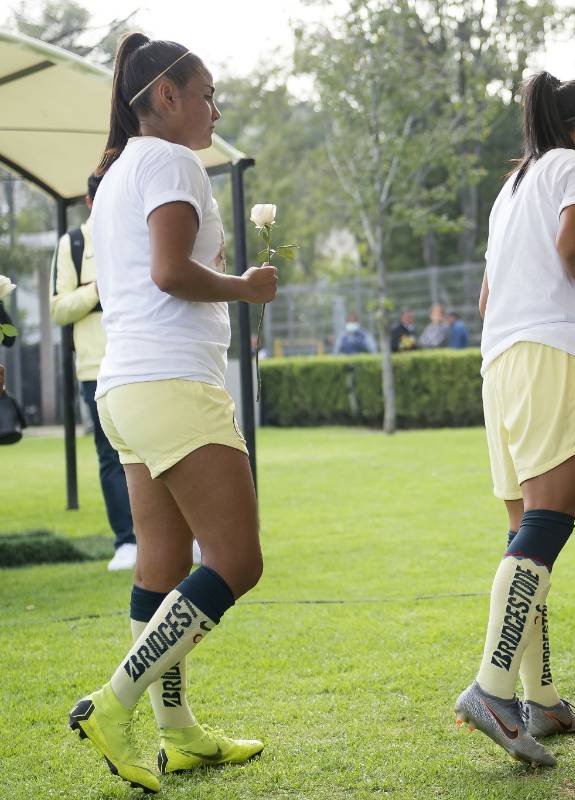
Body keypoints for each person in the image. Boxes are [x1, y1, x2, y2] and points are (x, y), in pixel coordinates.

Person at [66, 33, 274, 793]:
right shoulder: (173, 160)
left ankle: (177, 732)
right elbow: (170, 272)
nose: (216, 108)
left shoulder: (117, 172)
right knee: (237, 561)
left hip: (123, 389)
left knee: (162, 564)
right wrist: (245, 287)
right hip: (173, 384)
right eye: (209, 92)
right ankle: (114, 703)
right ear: (166, 96)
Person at [454, 71, 575, 768]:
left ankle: (543, 698)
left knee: (524, 531)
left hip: (501, 363)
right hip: (550, 356)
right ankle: (493, 689)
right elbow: (569, 250)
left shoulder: (514, 185)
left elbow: (491, 288)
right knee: (547, 526)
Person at [50, 174, 138, 570]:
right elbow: (58, 308)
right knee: (110, 455)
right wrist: (97, 290)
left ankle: (175, 537)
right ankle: (127, 542)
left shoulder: (139, 231)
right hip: (95, 369)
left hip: (141, 362)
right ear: (89, 201)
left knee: (157, 449)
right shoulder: (73, 244)